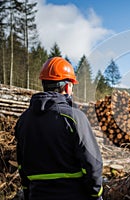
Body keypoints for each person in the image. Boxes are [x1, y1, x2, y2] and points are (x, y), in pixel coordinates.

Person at [14, 57, 103, 200]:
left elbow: (21, 165)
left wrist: (27, 192)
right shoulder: (74, 117)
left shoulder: (23, 121)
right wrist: (96, 195)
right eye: (72, 86)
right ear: (67, 86)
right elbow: (92, 163)